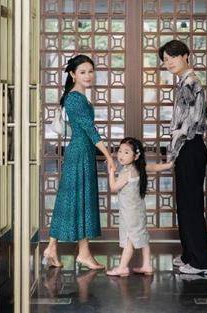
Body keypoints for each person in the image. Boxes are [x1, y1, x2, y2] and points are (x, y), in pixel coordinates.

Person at [42, 55, 116, 270]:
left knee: (72, 199)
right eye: (82, 72)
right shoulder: (75, 99)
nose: (88, 75)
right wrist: (108, 155)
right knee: (77, 199)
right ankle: (79, 252)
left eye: (90, 71)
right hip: (79, 153)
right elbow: (90, 130)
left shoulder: (78, 97)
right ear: (73, 74)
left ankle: (58, 248)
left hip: (81, 152)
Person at [159, 40, 207, 275]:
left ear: (185, 56)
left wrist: (173, 152)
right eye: (165, 59)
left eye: (173, 56)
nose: (169, 62)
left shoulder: (190, 82)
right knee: (185, 203)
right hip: (188, 147)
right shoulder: (186, 82)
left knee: (190, 205)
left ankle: (203, 262)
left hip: (189, 146)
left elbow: (188, 124)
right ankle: (190, 254)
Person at [106, 137, 172, 277]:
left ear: (135, 156)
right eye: (120, 151)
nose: (121, 155)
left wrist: (111, 172)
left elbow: (113, 187)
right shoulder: (138, 168)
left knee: (129, 240)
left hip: (130, 214)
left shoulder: (127, 173)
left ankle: (122, 267)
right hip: (138, 211)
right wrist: (169, 165)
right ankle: (147, 265)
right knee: (142, 236)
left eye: (126, 152)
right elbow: (154, 167)